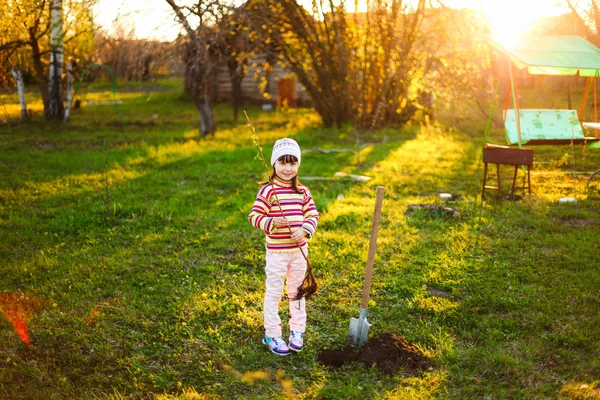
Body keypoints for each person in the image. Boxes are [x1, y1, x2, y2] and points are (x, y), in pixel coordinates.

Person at [248, 138, 319, 356]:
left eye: (292, 163)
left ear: (298, 165)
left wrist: (305, 230)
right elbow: (254, 216)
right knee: (274, 292)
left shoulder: (302, 191)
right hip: (277, 253)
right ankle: (272, 333)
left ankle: (297, 331)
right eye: (282, 163)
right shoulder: (269, 191)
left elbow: (313, 214)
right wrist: (270, 222)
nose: (287, 168)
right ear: (273, 164)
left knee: (297, 292)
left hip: (299, 252)